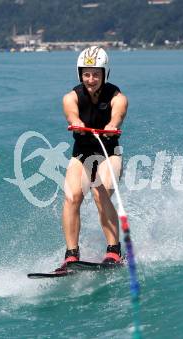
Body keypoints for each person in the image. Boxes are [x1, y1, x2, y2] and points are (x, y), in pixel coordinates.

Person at [58, 46, 128, 270]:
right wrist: (76, 122)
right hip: (82, 155)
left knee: (99, 192)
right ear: (80, 74)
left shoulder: (118, 97)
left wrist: (111, 125)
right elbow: (71, 112)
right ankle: (71, 254)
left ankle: (114, 251)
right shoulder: (71, 97)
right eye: (86, 74)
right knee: (72, 196)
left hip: (109, 154)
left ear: (105, 73)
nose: (91, 79)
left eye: (96, 74)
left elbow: (118, 114)